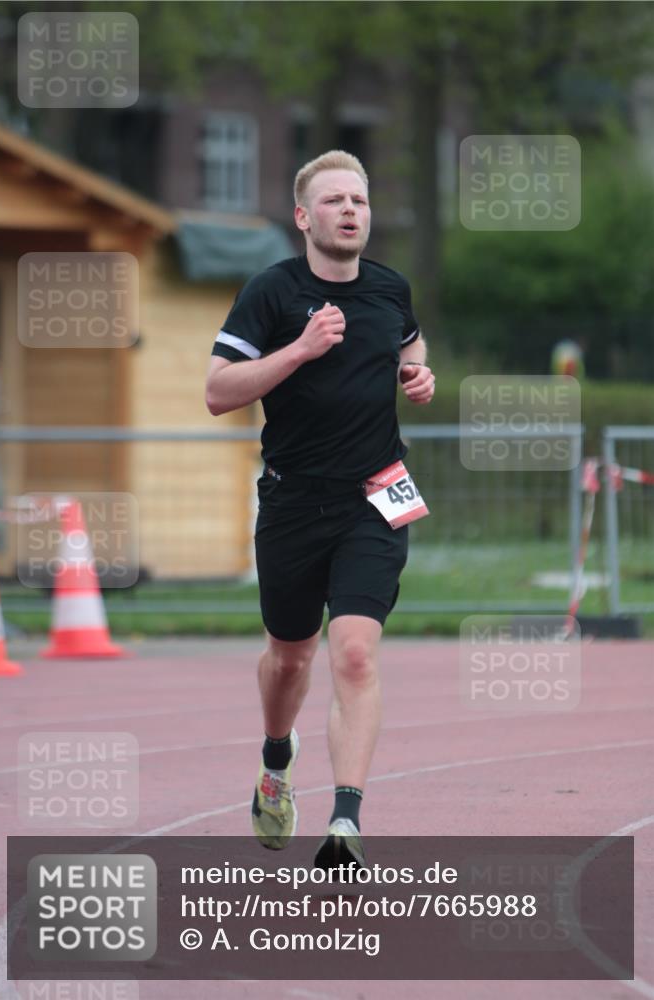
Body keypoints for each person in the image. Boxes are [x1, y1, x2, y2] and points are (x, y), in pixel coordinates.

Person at [206, 150, 435, 869]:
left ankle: (344, 821)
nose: (349, 211)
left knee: (356, 653)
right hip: (292, 500)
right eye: (334, 200)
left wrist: (418, 373)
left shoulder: (389, 289)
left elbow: (408, 343)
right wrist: (299, 351)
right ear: (305, 217)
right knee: (288, 656)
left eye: (359, 202)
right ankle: (277, 761)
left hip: (376, 495)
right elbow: (218, 390)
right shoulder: (272, 293)